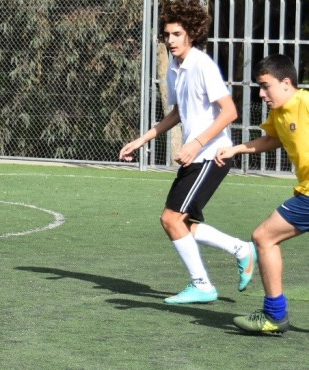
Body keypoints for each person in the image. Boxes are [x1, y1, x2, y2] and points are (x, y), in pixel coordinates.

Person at [118, 0, 255, 304]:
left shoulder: (202, 64)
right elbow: (178, 113)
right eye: (167, 35)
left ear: (191, 34)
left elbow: (229, 111)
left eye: (177, 34)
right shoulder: (176, 69)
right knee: (182, 223)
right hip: (198, 156)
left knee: (171, 219)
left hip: (213, 155)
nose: (171, 40)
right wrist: (143, 140)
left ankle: (202, 285)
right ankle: (241, 249)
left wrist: (195, 143)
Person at [215, 54, 304, 333]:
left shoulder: (305, 103)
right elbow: (272, 139)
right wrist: (236, 149)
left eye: (266, 86)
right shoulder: (279, 113)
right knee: (264, 237)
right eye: (259, 87)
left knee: (264, 237)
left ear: (286, 82)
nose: (262, 94)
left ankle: (274, 315)